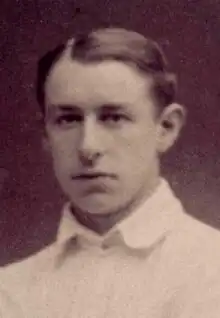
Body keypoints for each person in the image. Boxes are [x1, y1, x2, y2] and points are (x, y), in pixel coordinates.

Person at [1, 27, 220, 318]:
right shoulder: (11, 290)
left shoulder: (211, 270)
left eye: (114, 117)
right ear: (45, 135)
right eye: (68, 119)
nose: (88, 146)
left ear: (165, 128)